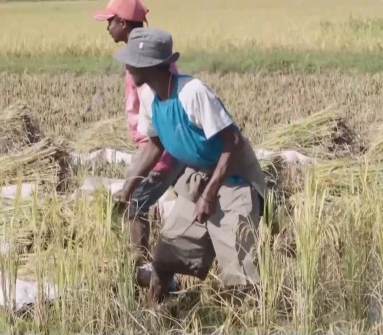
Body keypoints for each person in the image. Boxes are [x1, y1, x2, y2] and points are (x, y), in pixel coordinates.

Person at [112, 27, 270, 305]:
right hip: (201, 180)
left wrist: (209, 197)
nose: (126, 66)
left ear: (150, 65)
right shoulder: (151, 99)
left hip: (234, 182)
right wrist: (129, 187)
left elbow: (232, 142)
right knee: (165, 256)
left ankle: (251, 318)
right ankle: (154, 315)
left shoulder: (192, 93)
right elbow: (155, 145)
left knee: (239, 275)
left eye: (131, 62)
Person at [93, 0, 185, 287]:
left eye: (110, 20)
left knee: (136, 202)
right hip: (164, 143)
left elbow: (158, 134)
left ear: (122, 22)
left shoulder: (144, 64)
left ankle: (142, 267)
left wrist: (129, 185)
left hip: (160, 147)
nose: (107, 27)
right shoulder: (144, 55)